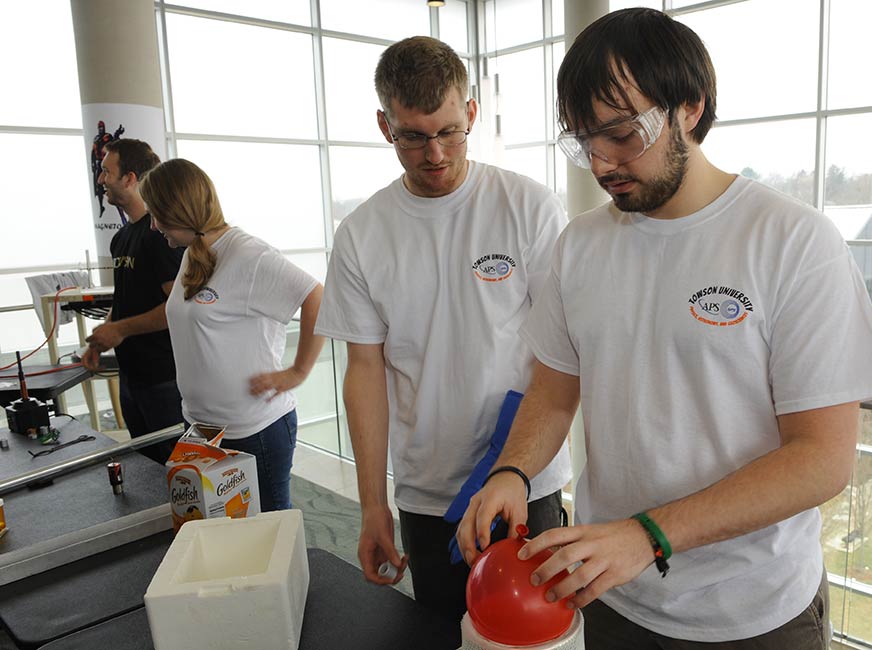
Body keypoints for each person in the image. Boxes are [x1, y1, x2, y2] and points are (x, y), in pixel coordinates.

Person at [457, 8, 872, 649]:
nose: (602, 162)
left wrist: (647, 535)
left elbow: (822, 460)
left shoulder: (793, 242)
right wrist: (513, 473)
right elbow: (554, 392)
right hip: (609, 590)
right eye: (584, 140)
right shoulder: (578, 246)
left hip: (754, 610)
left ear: (688, 108)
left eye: (622, 133)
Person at [314, 36, 572, 623]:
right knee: (439, 630)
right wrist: (371, 504)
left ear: (472, 113)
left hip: (523, 478)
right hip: (428, 490)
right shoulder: (361, 234)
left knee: (531, 631)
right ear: (385, 125)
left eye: (450, 131)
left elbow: (564, 355)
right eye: (413, 136)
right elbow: (365, 371)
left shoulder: (528, 207)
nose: (435, 153)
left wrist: (518, 467)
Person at [138, 158, 325, 512]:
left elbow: (316, 296)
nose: (152, 225)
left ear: (179, 209)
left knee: (270, 535)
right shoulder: (193, 253)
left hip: (255, 429)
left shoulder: (249, 255)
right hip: (202, 427)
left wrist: (297, 372)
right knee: (224, 534)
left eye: (157, 214)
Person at [84, 138, 183, 464]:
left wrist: (121, 330)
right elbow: (125, 296)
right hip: (132, 377)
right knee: (146, 468)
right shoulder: (121, 238)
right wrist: (103, 337)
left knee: (177, 471)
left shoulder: (160, 235)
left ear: (129, 178)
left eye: (106, 172)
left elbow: (177, 310)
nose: (101, 180)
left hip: (163, 379)